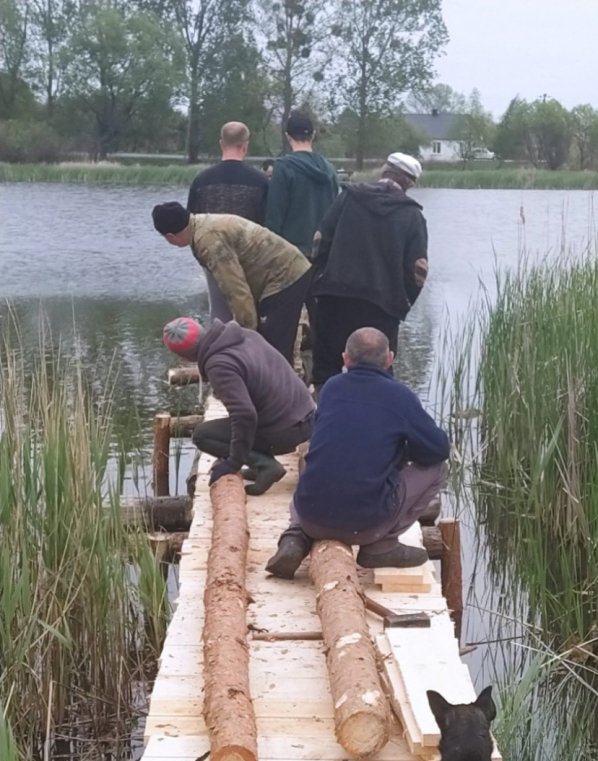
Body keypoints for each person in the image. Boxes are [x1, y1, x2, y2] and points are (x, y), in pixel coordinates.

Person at [266, 328, 449, 578]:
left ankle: (296, 536)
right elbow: (437, 450)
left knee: (321, 458)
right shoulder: (400, 397)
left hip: (310, 515)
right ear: (389, 359)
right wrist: (402, 451)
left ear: (345, 359)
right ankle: (382, 546)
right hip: (363, 526)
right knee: (439, 468)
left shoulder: (331, 388)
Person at [309, 152, 428, 388]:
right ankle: (375, 420)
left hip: (335, 298)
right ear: (409, 183)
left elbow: (319, 241)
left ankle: (325, 418)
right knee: (378, 374)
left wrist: (320, 280)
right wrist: (401, 304)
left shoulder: (348, 198)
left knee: (325, 370)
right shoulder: (412, 215)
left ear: (383, 171)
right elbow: (418, 272)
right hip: (381, 308)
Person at [162, 317, 315, 494]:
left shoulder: (219, 365)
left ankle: (265, 465)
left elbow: (244, 414)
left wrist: (233, 461)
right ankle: (259, 460)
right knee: (241, 420)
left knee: (202, 436)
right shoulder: (245, 335)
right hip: (305, 415)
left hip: (287, 430)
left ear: (183, 357)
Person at [152, 202, 311, 364]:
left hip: (286, 275)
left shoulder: (209, 242)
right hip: (283, 269)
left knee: (274, 349)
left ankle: (282, 384)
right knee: (267, 343)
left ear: (170, 237)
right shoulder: (201, 224)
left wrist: (245, 337)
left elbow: (236, 291)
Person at [186, 122, 270, 322]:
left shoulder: (201, 181)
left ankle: (216, 350)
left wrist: (202, 257)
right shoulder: (261, 182)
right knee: (249, 312)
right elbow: (269, 225)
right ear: (245, 145)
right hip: (250, 258)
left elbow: (190, 226)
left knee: (218, 313)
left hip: (213, 256)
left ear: (221, 143)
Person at [265, 109, 339, 258]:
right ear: (313, 135)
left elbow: (275, 215)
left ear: (287, 136)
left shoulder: (284, 168)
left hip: (291, 255)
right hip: (323, 252)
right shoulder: (330, 169)